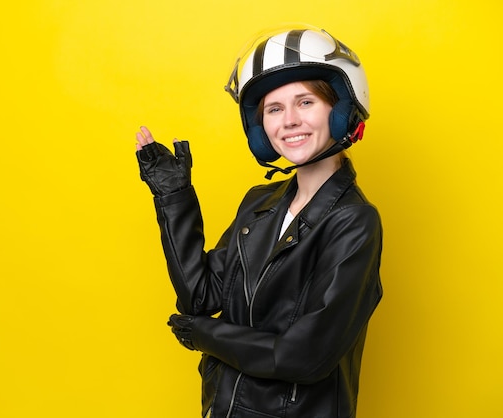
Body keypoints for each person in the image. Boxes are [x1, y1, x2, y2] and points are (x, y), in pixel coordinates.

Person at [134, 24, 382, 418]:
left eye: (305, 102)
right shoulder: (259, 203)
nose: (288, 121)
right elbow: (200, 297)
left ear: (340, 111)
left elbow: (306, 357)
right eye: (274, 109)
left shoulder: (354, 222)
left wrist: (205, 335)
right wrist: (173, 196)